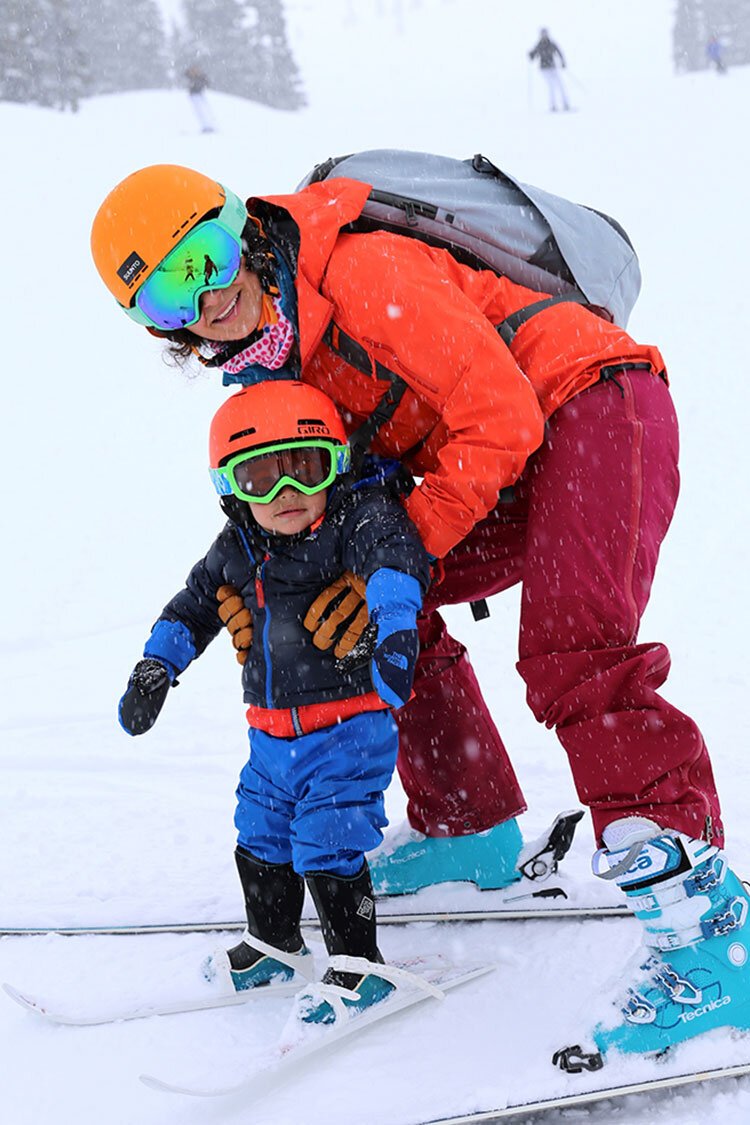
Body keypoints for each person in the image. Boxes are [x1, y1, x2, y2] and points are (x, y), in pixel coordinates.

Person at [91, 165, 750, 1060]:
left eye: (204, 257)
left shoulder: (361, 274)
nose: (204, 298)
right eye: (168, 293)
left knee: (574, 653)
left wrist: (394, 560)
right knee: (359, 601)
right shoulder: (274, 367)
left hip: (593, 404)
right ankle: (466, 822)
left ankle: (714, 936)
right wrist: (276, 595)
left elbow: (503, 415)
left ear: (240, 228)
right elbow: (339, 509)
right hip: (508, 464)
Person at [118, 379, 431, 1022]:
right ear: (232, 489)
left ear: (333, 468)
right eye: (261, 477)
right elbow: (192, 606)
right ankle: (274, 947)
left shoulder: (355, 520)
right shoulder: (237, 547)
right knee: (260, 833)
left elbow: (392, 557)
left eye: (303, 469)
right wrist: (157, 665)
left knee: (327, 837)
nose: (286, 494)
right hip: (270, 736)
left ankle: (358, 971)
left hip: (349, 728)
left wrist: (396, 627)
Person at [528, 27, 570, 112]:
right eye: (543, 34)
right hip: (544, 69)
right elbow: (533, 55)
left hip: (552, 67)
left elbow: (558, 52)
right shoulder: (539, 45)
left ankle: (565, 104)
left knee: (560, 85)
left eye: (545, 33)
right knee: (551, 86)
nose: (544, 35)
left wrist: (562, 62)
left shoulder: (551, 43)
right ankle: (553, 105)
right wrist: (530, 55)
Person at [184, 63, 216, 133]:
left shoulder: (201, 76)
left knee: (206, 110)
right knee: (199, 111)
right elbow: (185, 74)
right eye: (195, 69)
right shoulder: (191, 76)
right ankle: (204, 126)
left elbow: (207, 83)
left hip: (200, 95)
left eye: (197, 69)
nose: (196, 71)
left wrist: (203, 80)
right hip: (193, 95)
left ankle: (211, 125)